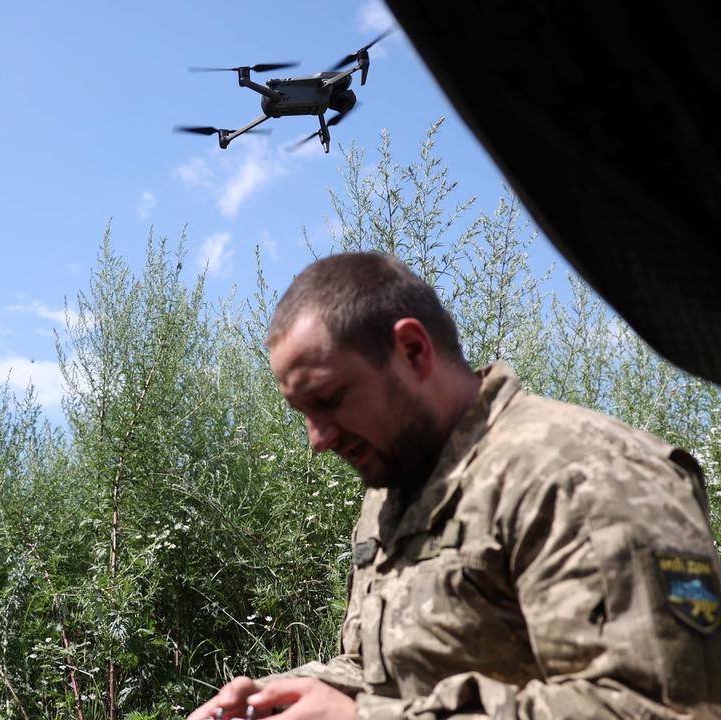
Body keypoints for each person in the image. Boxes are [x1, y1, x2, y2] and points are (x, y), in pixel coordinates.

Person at [188, 252, 721, 719]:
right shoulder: (393, 489)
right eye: (302, 413)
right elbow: (384, 673)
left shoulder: (585, 474)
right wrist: (280, 699)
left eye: (328, 400)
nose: (317, 440)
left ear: (414, 351)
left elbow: (657, 709)